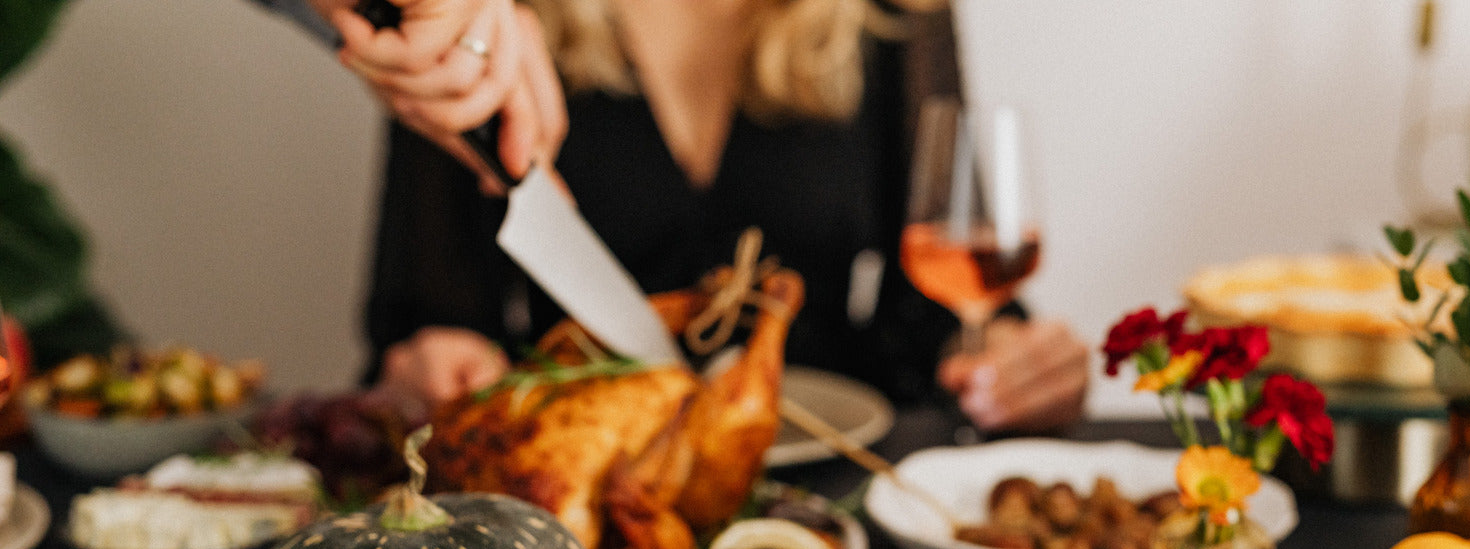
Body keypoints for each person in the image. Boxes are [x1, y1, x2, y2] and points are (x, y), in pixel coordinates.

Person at [285, 0, 1091, 432]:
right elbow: (421, 314)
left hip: (840, 492)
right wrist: (433, 362)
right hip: (576, 492)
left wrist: (1007, 359)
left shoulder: (894, 10)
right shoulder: (468, 16)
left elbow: (940, 299)